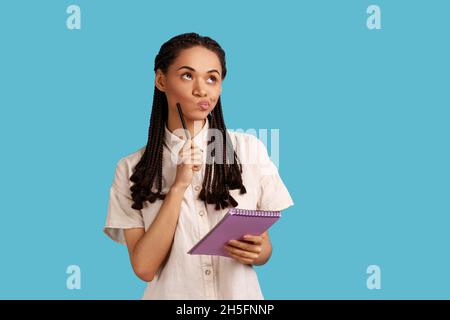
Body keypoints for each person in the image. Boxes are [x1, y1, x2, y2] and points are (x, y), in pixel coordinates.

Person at [103, 32, 294, 299]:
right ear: (161, 80)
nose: (202, 90)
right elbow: (144, 267)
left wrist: (259, 251)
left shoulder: (249, 149)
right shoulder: (130, 168)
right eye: (187, 75)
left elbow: (264, 250)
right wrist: (178, 186)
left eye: (212, 78)